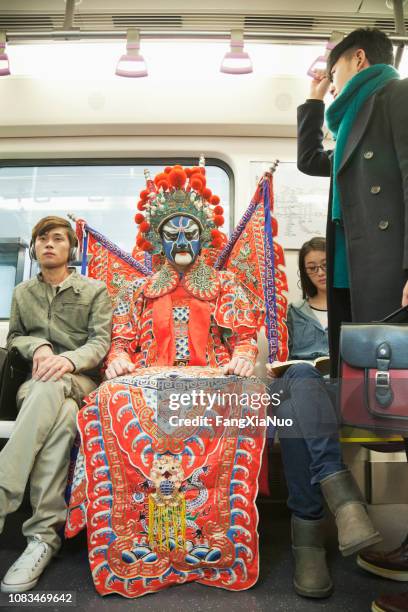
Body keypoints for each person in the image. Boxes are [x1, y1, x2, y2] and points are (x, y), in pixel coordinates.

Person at [64, 162, 266, 598]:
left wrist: (244, 357)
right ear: (157, 236)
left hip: (211, 377)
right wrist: (117, 358)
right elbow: (120, 342)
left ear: (202, 235)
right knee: (106, 398)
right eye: (171, 231)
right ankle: (135, 539)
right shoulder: (137, 290)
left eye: (188, 230)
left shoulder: (224, 285)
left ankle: (213, 534)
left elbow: (245, 339)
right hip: (147, 380)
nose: (180, 239)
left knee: (247, 396)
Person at [297, 27, 408, 612]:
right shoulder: (347, 123)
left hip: (392, 280)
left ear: (357, 59)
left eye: (332, 70)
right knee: (392, 420)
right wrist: (314, 100)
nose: (331, 78)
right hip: (357, 286)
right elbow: (311, 160)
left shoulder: (396, 95)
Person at [0, 216, 112, 593]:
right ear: (34, 248)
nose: (49, 244)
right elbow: (15, 338)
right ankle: (43, 538)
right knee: (62, 416)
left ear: (71, 250)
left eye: (58, 239)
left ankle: (3, 496)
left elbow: (100, 344)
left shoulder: (95, 290)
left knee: (56, 391)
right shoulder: (22, 294)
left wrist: (67, 360)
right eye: (42, 239)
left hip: (78, 379)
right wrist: (40, 347)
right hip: (36, 386)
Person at [267, 236, 380, 599]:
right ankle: (344, 501)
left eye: (323, 266)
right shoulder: (293, 312)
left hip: (344, 389)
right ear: (303, 272)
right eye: (310, 267)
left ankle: (309, 540)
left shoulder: (351, 307)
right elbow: (282, 358)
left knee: (294, 408)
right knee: (297, 385)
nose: (317, 272)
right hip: (305, 389)